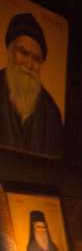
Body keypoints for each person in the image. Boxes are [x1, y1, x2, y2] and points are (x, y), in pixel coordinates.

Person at [0, 12, 63, 157]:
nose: (29, 65)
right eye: (23, 53)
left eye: (36, 59)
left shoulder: (51, 112)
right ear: (10, 51)